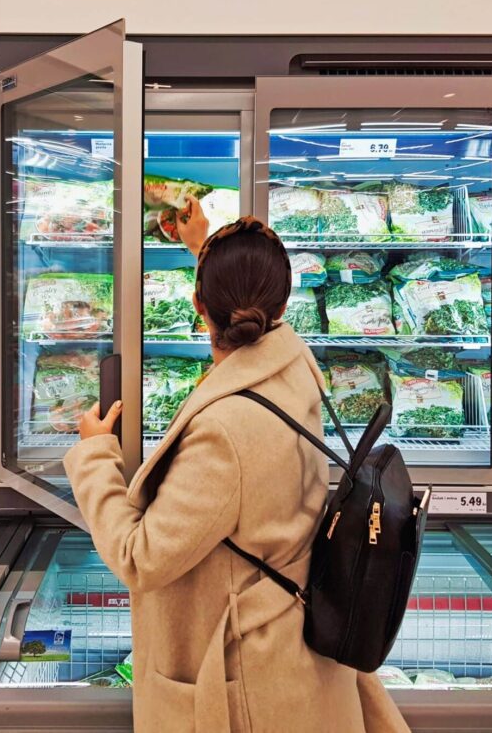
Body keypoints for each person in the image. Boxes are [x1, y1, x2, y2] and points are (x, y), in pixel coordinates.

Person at [63, 198, 410, 733]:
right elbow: (245, 318)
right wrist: (203, 248)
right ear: (282, 304)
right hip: (296, 648)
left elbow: (142, 558)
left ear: (200, 308)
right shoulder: (296, 368)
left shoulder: (225, 434)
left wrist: (93, 456)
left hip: (249, 682)